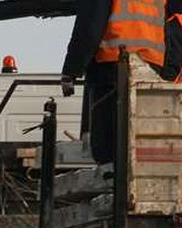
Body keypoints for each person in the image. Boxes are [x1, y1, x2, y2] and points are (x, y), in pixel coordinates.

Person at [62, 0, 179, 164]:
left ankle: (112, 180)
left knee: (109, 145)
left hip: (112, 66)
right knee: (143, 137)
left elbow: (90, 27)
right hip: (152, 70)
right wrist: (168, 75)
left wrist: (71, 70)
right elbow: (173, 29)